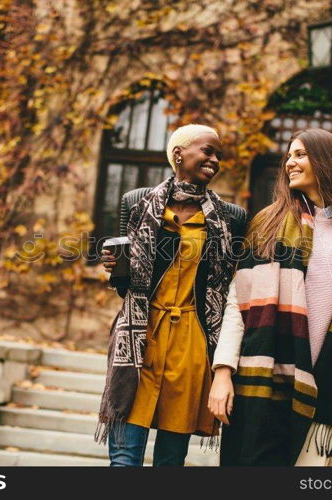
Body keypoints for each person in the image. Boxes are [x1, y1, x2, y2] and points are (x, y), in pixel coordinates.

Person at [208, 128, 332, 466]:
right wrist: (222, 372)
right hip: (267, 381)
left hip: (329, 386)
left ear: (326, 162)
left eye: (299, 155)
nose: (290, 163)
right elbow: (237, 304)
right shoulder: (268, 224)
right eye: (288, 156)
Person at [95, 124, 247, 466]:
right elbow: (127, 287)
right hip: (139, 338)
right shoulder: (136, 203)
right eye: (207, 151)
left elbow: (229, 287)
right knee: (124, 459)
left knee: (170, 461)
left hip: (191, 343)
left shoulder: (232, 219)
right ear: (178, 154)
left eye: (218, 155)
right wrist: (114, 267)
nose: (214, 160)